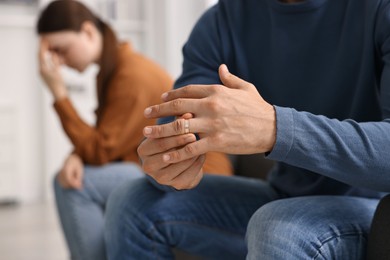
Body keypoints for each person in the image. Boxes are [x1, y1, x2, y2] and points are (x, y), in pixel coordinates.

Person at [104, 0, 390, 259]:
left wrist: (276, 128)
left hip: (371, 207)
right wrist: (166, 160)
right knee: (133, 202)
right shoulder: (222, 20)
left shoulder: (379, 9)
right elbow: (179, 119)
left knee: (278, 228)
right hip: (284, 197)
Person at [37, 1, 232, 260]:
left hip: (194, 173)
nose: (59, 62)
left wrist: (59, 94)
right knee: (73, 175)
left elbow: (99, 150)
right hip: (156, 166)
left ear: (88, 32)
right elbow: (108, 137)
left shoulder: (130, 76)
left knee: (74, 185)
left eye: (62, 50)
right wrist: (76, 155)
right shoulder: (114, 69)